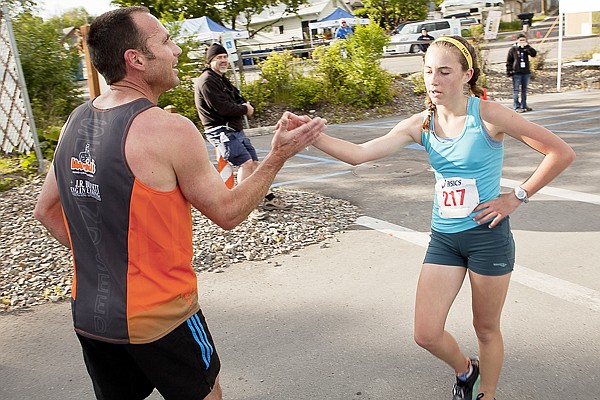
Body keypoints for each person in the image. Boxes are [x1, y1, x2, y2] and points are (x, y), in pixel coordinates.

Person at [33, 6, 325, 400]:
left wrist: (106, 259)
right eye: (165, 41)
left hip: (90, 313)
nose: (175, 51)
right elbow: (227, 212)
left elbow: (46, 210)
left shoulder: (76, 119)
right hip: (161, 315)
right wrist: (277, 157)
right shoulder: (169, 129)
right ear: (135, 59)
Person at [312, 35, 575, 400]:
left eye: (445, 72)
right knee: (426, 333)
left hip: (487, 236)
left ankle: (489, 393)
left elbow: (560, 152)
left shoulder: (488, 115)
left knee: (485, 328)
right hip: (444, 239)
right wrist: (310, 137)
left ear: (467, 75)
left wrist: (516, 197)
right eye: (428, 71)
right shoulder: (421, 123)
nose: (434, 80)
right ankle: (467, 370)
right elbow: (359, 153)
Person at [195, 43, 290, 211]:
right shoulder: (207, 81)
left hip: (234, 129)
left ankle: (268, 198)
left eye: (225, 57)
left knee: (253, 163)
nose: (224, 61)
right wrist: (245, 109)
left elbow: (238, 98)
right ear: (210, 61)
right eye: (219, 58)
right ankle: (241, 205)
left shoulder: (220, 78)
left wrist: (244, 105)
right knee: (245, 164)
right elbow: (222, 108)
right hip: (221, 130)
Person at [506, 33, 537, 113]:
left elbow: (533, 54)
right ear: (517, 40)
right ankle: (516, 106)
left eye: (524, 40)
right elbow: (509, 61)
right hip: (516, 72)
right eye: (521, 40)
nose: (522, 42)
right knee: (516, 90)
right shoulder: (513, 49)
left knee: (524, 90)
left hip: (525, 72)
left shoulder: (526, 49)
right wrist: (509, 71)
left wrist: (527, 47)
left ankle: (524, 104)